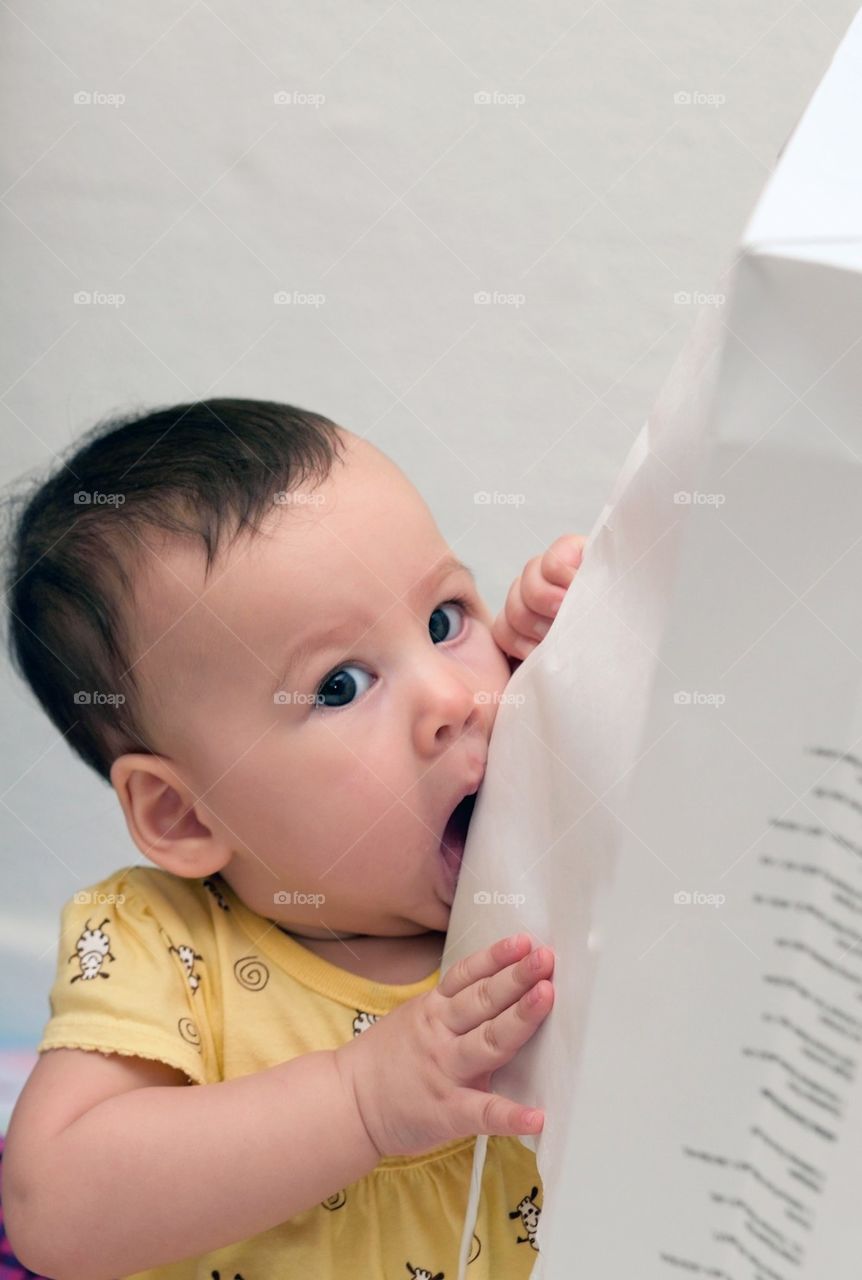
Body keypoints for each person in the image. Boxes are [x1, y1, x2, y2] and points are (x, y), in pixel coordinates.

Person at [0, 399, 585, 1279]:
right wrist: (359, 1101)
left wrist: (583, 673)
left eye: (444, 620)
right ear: (185, 815)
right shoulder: (162, 942)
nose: (451, 698)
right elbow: (55, 1210)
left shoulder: (542, 875)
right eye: (342, 685)